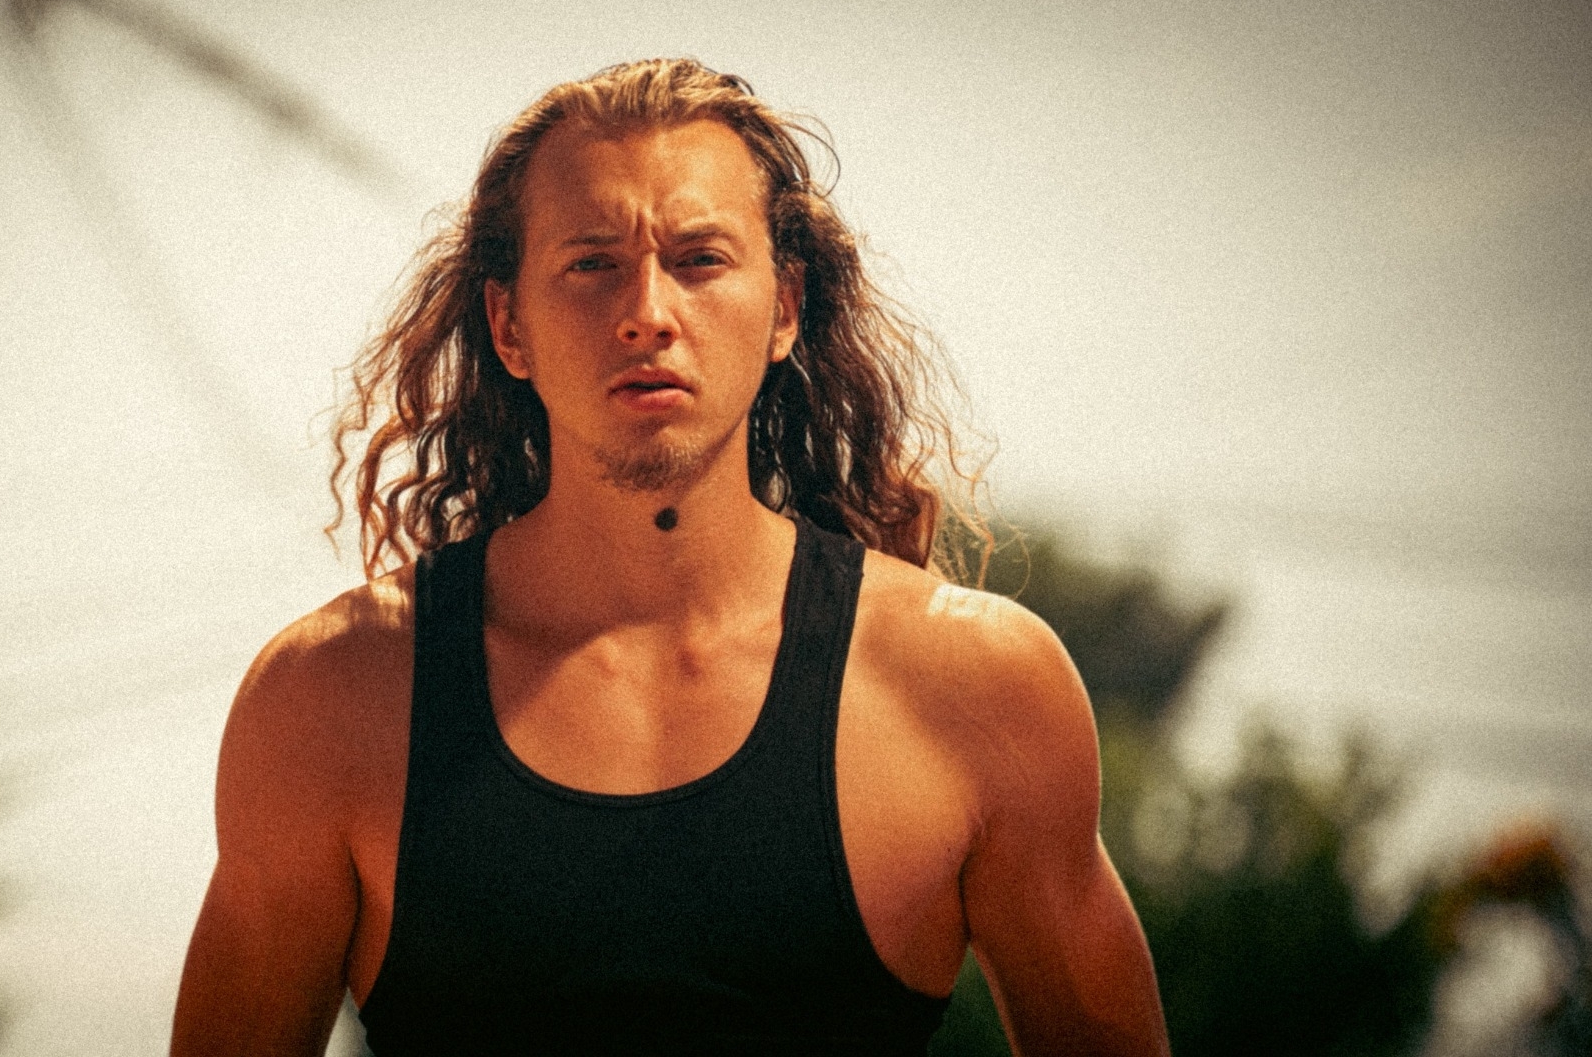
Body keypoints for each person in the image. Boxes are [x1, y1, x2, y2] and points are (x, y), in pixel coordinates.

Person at [171, 59, 1170, 1055]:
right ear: (508, 326)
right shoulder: (329, 700)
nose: (646, 310)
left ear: (784, 308)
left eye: (697, 259)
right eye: (592, 263)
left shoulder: (974, 688)